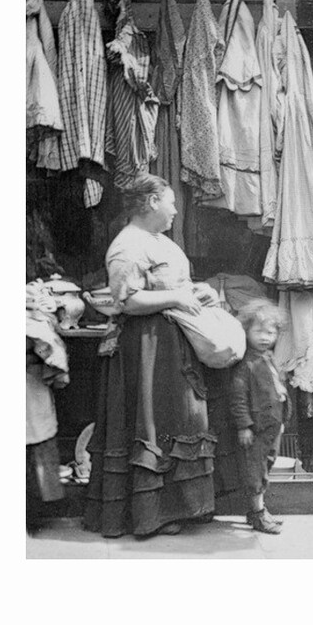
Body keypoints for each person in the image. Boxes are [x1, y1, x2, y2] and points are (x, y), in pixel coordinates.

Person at [83, 174, 220, 539]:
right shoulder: (128, 245)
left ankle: (178, 508)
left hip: (170, 342)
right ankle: (150, 515)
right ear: (152, 202)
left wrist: (197, 291)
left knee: (177, 419)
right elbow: (125, 301)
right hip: (145, 347)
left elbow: (175, 286)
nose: (176, 210)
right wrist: (177, 298)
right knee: (152, 423)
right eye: (171, 202)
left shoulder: (158, 241)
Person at [230, 299, 290, 534]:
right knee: (256, 471)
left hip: (272, 427)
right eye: (258, 331)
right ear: (247, 331)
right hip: (256, 429)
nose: (265, 337)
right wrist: (244, 425)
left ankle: (257, 511)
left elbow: (279, 391)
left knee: (267, 465)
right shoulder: (247, 364)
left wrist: (283, 420)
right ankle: (257, 513)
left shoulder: (269, 358)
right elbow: (239, 397)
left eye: (270, 332)